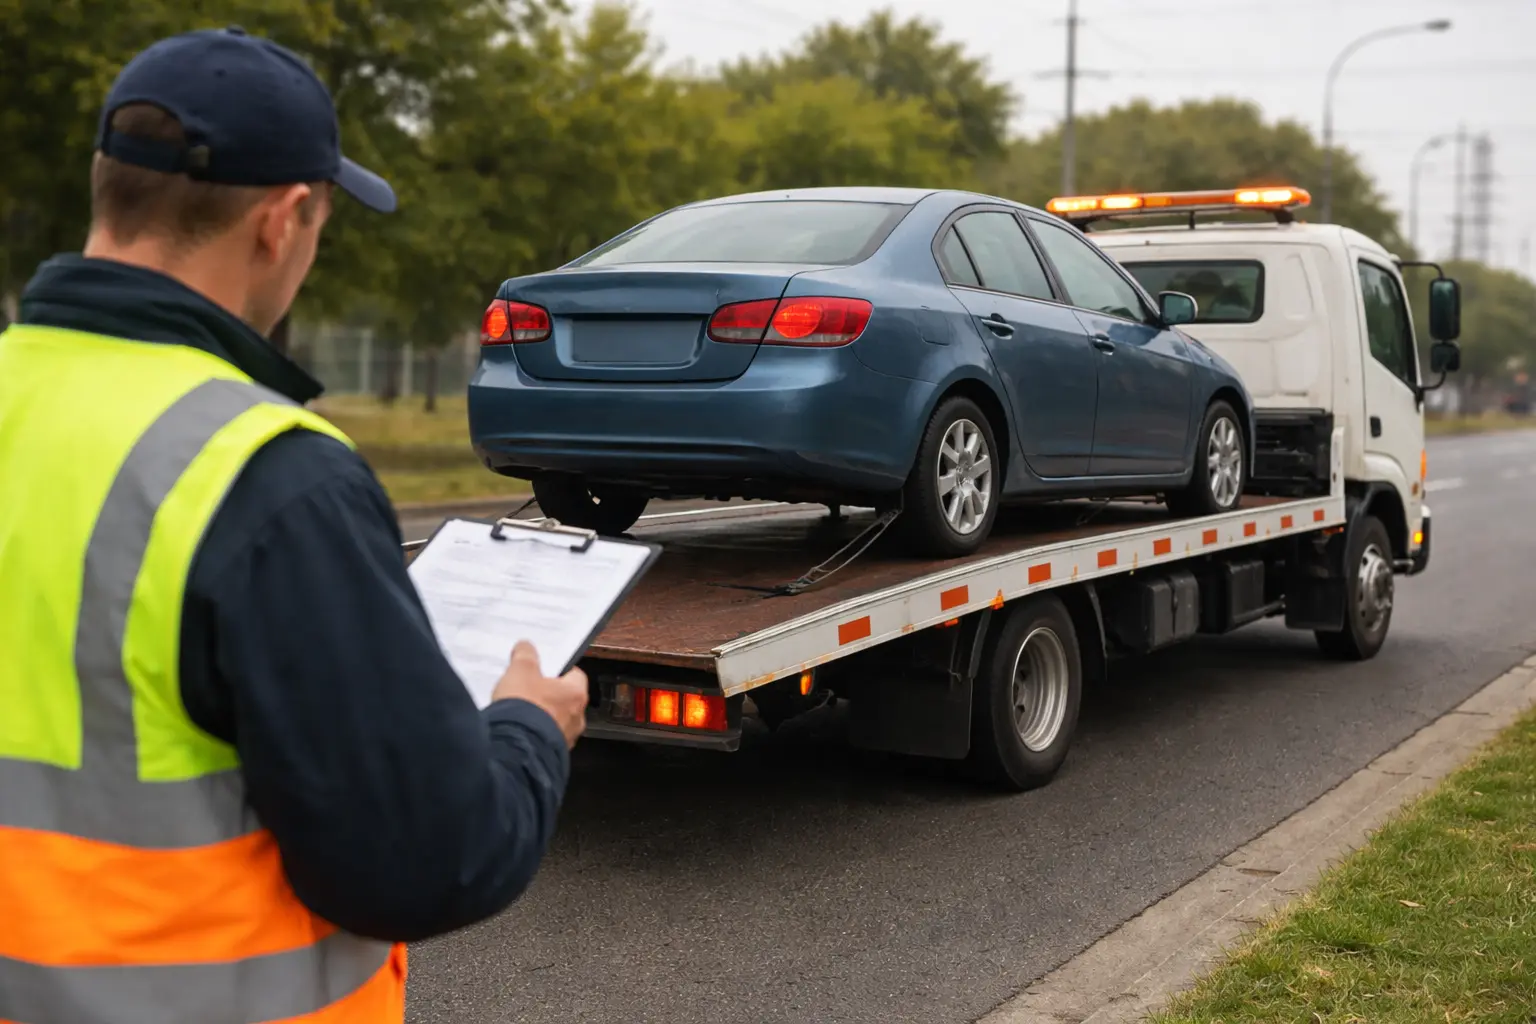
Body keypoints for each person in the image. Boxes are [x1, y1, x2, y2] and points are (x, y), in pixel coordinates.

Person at [0, 26, 589, 1024]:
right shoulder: (267, 475)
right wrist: (531, 725)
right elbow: (426, 857)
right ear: (283, 221)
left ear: (110, 185)